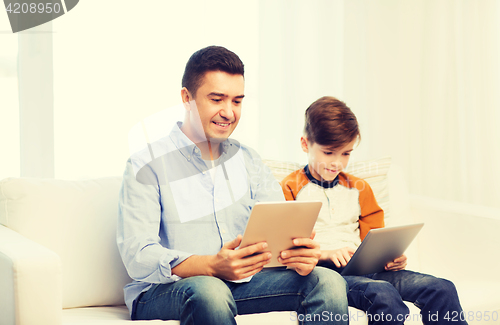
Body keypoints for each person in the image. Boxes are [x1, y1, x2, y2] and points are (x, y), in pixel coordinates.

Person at [117, 46, 349, 325]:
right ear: (187, 98)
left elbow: (280, 236)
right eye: (217, 99)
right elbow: (138, 255)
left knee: (326, 280)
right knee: (210, 289)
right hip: (167, 290)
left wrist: (298, 255)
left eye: (237, 101)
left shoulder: (249, 160)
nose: (229, 112)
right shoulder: (147, 164)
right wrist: (211, 266)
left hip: (243, 284)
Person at [280, 96, 468, 325]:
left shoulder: (359, 188)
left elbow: (374, 238)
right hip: (327, 275)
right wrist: (327, 253)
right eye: (329, 153)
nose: (337, 163)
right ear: (305, 144)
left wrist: (389, 257)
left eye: (346, 153)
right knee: (384, 296)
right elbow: (286, 251)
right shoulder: (290, 187)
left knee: (442, 288)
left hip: (365, 270)